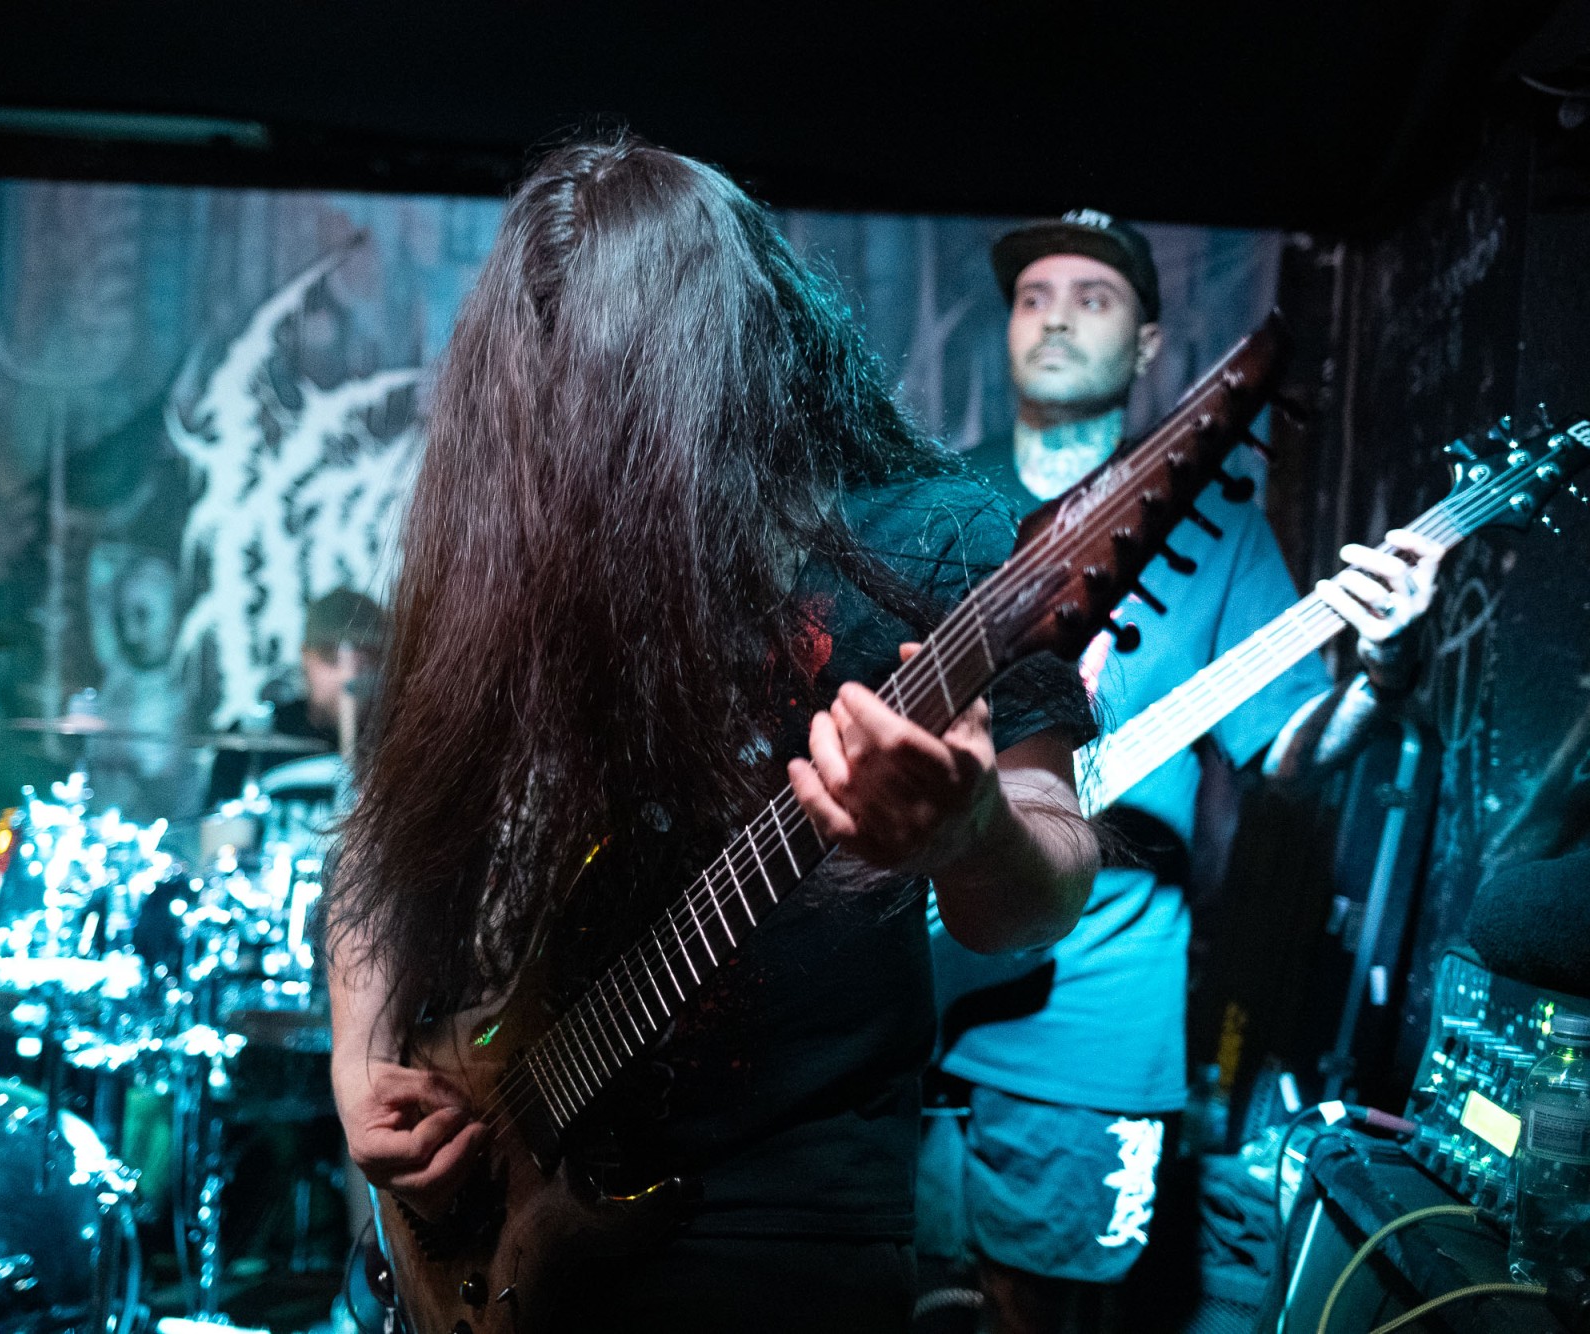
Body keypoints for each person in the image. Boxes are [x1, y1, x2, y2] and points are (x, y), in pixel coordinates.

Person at [323, 137, 1102, 1331]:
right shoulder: (512, 568)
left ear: (725, 354)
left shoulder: (934, 543)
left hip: (785, 1228)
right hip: (512, 1199)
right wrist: (357, 1059)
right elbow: (378, 850)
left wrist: (972, 831)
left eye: (612, 378)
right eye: (546, 383)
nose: (576, 422)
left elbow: (1035, 893)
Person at [918, 209, 1445, 1334]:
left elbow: (1288, 751)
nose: (1056, 317)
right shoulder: (937, 503)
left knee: (1040, 1316)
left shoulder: (1221, 528)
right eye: (1032, 296)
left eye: (1092, 297)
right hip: (897, 989)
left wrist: (1384, 673)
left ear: (1150, 344)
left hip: (1093, 1009)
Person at [203, 585, 386, 805]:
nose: (348, 675)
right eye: (330, 657)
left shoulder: (403, 744)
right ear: (305, 656)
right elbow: (219, 827)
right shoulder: (250, 740)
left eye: (366, 659)